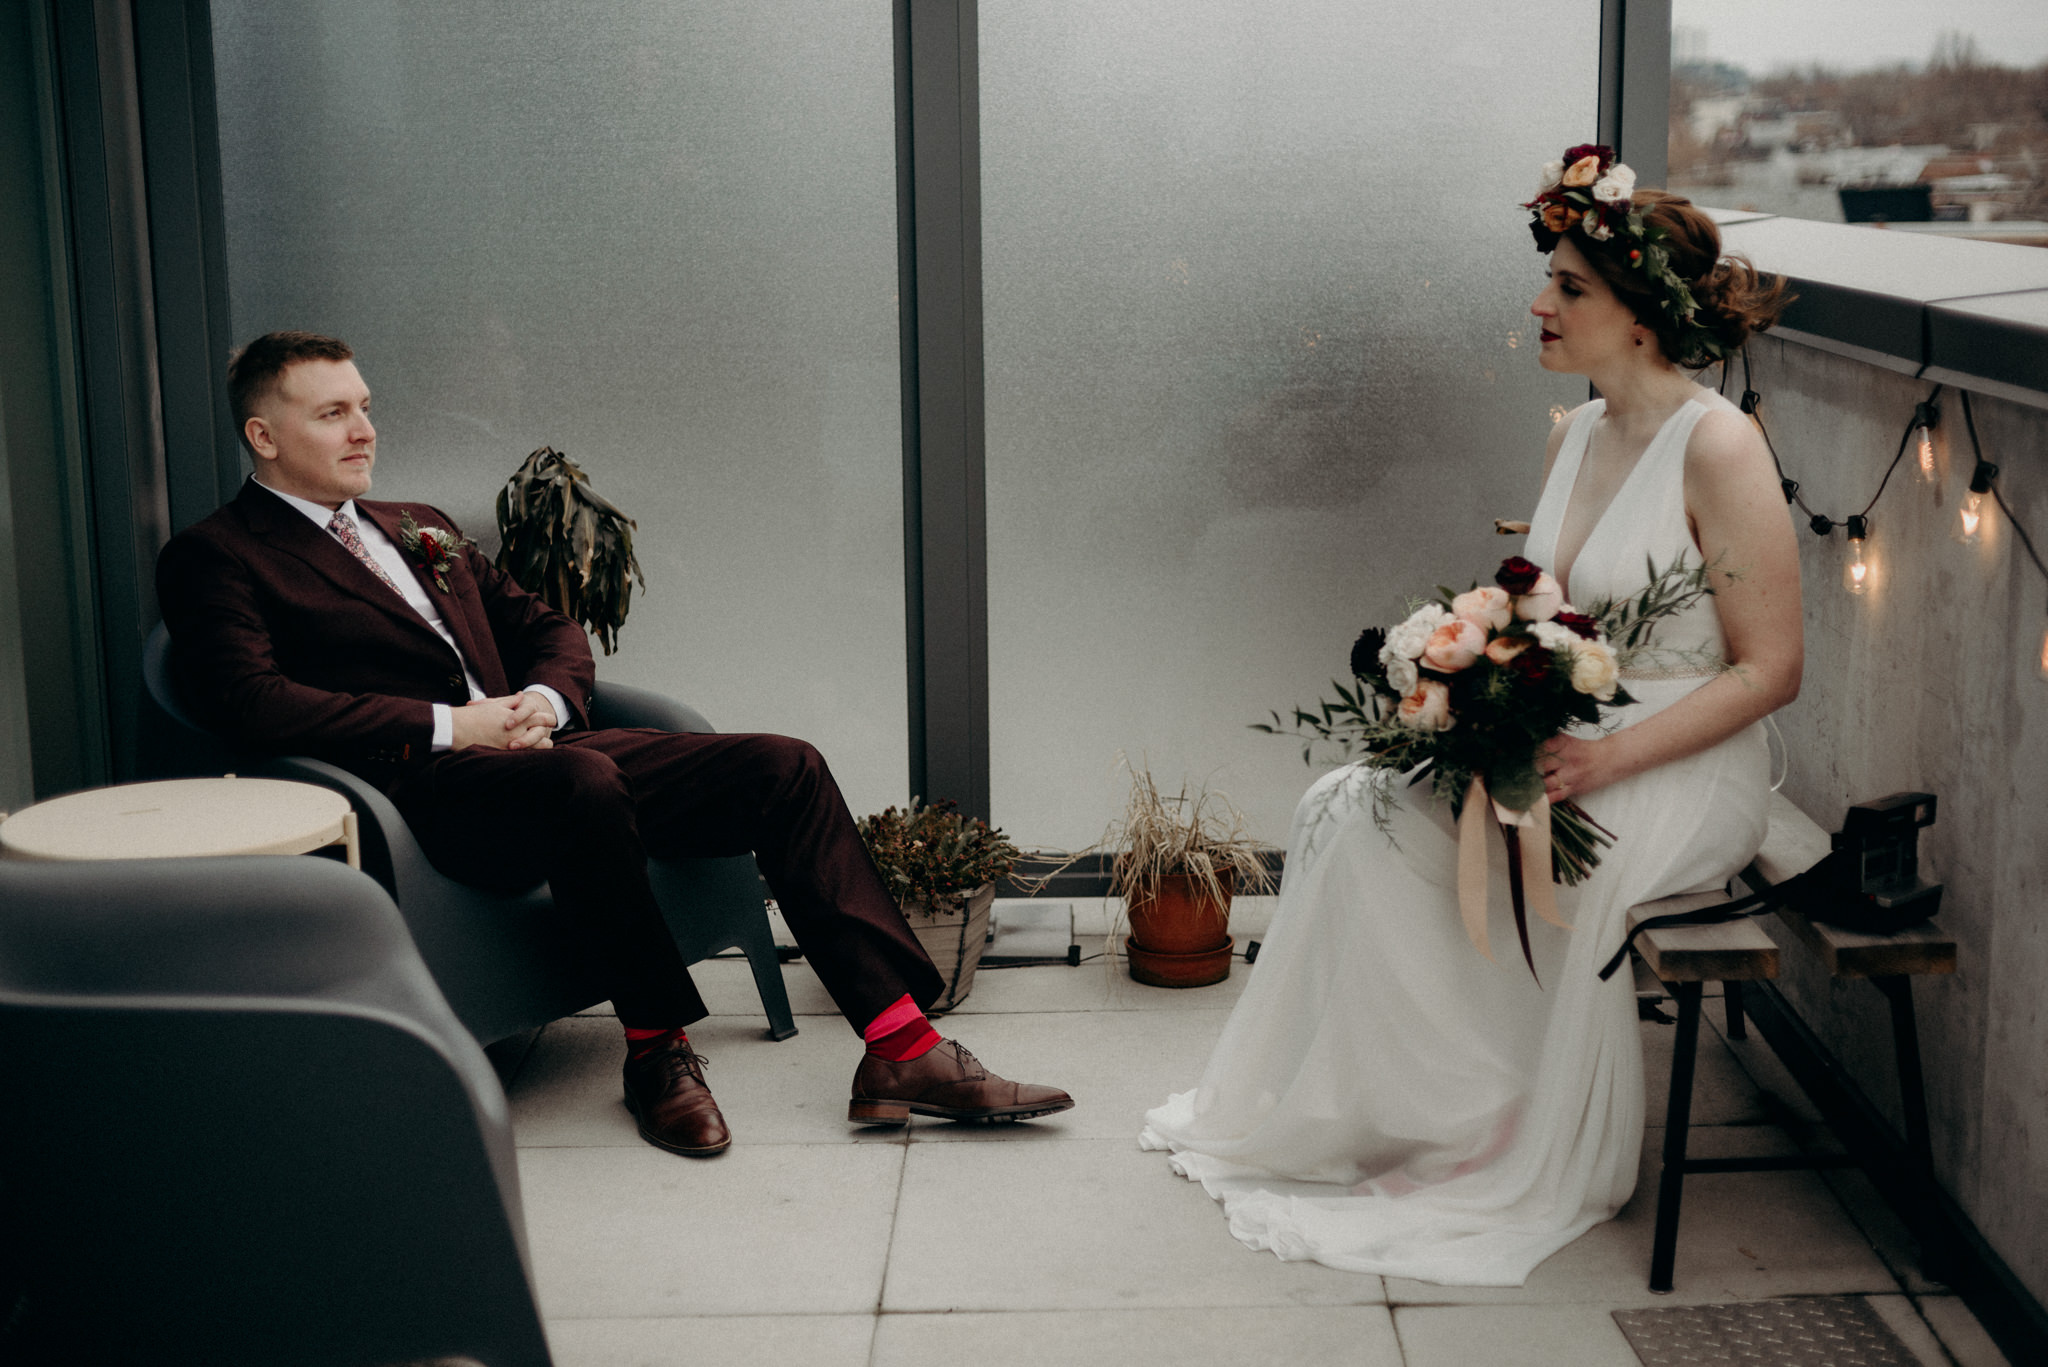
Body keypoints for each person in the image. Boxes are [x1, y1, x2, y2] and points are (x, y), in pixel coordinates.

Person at [156, 330, 1072, 1159]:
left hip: (549, 751)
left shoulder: (414, 524)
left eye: (364, 406)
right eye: (332, 413)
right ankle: (656, 1051)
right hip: (430, 793)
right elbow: (254, 704)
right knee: (584, 784)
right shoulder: (218, 556)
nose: (363, 430)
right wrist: (456, 726)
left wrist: (548, 699)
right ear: (264, 437)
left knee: (782, 766)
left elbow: (546, 625)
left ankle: (903, 1046)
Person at [1140, 147, 1799, 1285]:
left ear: (1641, 313)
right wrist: (1466, 680)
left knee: (1519, 859)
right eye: (1545, 280)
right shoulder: (1572, 432)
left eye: (1569, 288)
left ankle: (1496, 1124)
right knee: (1346, 808)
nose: (1538, 306)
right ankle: (1409, 1105)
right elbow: (1543, 608)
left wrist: (1605, 762)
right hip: (1560, 738)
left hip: (1679, 759)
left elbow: (1771, 668)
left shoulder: (1720, 446)